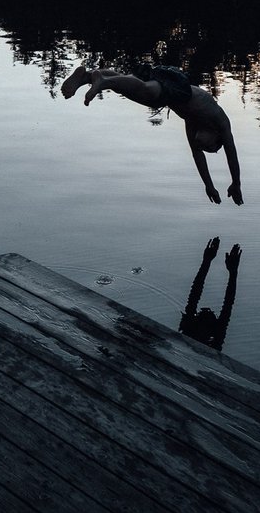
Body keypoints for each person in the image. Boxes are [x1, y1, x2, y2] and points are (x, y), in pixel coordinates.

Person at [61, 63, 242, 204]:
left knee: (132, 87)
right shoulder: (220, 120)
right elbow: (231, 153)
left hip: (169, 83)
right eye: (210, 146)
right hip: (178, 86)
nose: (203, 146)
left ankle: (86, 77)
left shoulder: (192, 122)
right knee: (146, 93)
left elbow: (197, 155)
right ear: (216, 137)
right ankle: (102, 82)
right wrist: (236, 183)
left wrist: (208, 186)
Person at [179, 237, 241, 350]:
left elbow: (195, 293)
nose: (207, 310)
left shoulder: (189, 331)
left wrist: (206, 261)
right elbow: (228, 303)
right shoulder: (216, 339)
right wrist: (233, 273)